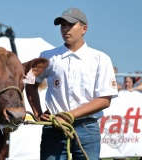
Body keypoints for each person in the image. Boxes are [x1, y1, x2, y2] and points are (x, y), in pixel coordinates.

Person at [25, 7, 118, 160]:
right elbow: (30, 83)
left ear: (84, 28)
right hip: (54, 128)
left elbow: (104, 100)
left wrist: (69, 115)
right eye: (62, 25)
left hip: (87, 128)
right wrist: (37, 114)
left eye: (71, 24)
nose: (65, 29)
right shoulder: (47, 56)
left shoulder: (101, 58)